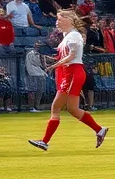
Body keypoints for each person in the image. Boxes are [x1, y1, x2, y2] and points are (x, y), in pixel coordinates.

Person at [28, 10, 109, 151]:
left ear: (68, 20)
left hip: (72, 72)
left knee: (56, 107)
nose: (57, 22)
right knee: (72, 109)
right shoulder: (67, 36)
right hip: (70, 72)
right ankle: (99, 129)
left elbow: (72, 56)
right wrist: (54, 60)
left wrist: (55, 64)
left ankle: (45, 141)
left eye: (59, 19)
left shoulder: (74, 35)